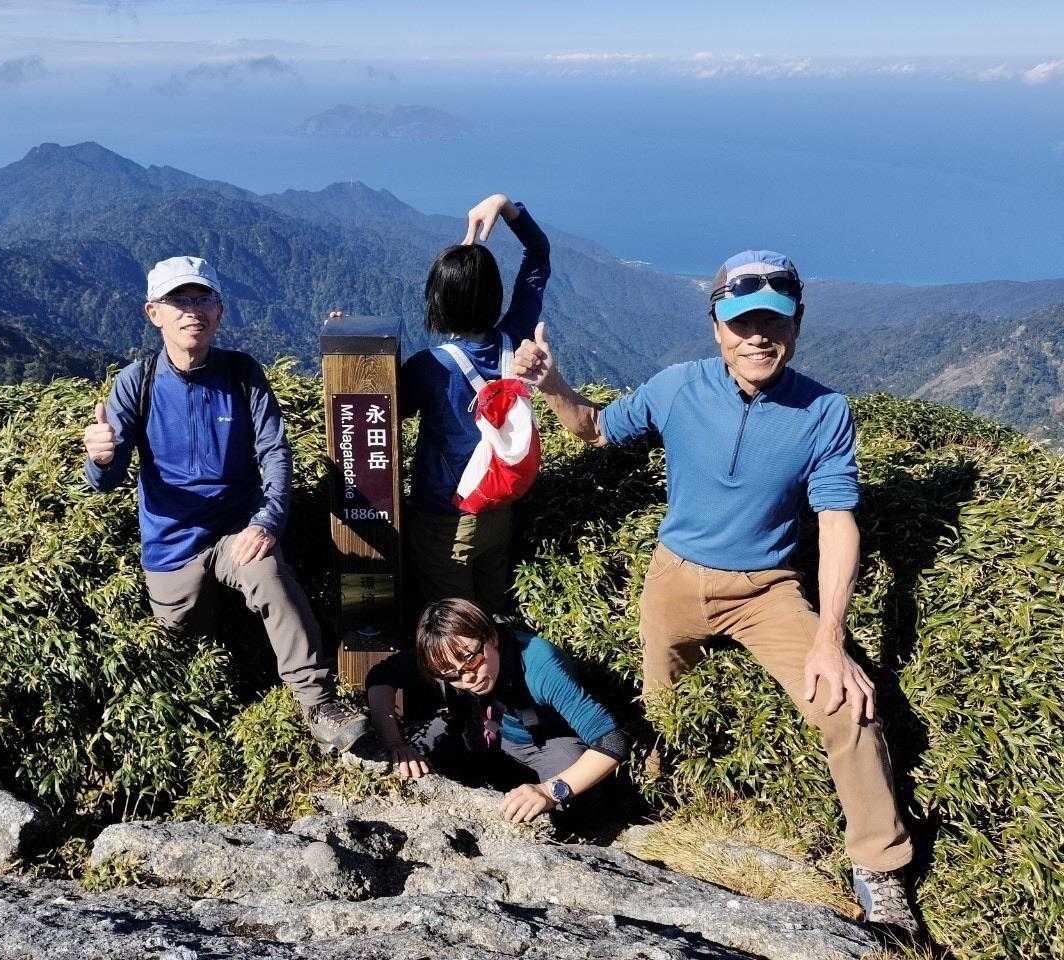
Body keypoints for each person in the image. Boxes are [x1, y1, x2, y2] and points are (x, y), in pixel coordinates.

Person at [511, 250, 919, 934]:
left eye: (774, 322)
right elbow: (596, 428)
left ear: (797, 325)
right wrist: (552, 383)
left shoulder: (824, 411)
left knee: (848, 709)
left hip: (767, 592)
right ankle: (657, 800)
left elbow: (837, 520)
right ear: (716, 326)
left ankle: (880, 867)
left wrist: (830, 639)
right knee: (660, 710)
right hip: (673, 580)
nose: (758, 337)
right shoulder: (678, 387)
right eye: (742, 322)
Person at [82, 255, 369, 752]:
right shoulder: (137, 382)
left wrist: (267, 520)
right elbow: (105, 480)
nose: (192, 310)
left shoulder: (241, 374)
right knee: (185, 647)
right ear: (154, 313)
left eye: (203, 298)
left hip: (239, 531)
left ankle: (317, 703)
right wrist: (101, 459)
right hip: (172, 546)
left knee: (269, 573)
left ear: (220, 310)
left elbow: (274, 452)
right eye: (178, 300)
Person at [401, 193, 551, 616]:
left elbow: (380, 407)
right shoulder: (516, 337)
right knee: (492, 612)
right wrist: (506, 206)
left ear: (437, 301)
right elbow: (538, 256)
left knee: (456, 627)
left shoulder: (429, 367)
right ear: (494, 295)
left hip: (445, 518)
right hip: (499, 509)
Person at [366, 598, 629, 824]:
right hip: (477, 729)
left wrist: (549, 792)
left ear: (491, 637)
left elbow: (611, 741)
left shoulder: (539, 664)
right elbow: (381, 676)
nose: (467, 678)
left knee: (572, 806)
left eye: (473, 662)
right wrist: (395, 743)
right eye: (452, 676)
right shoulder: (447, 655)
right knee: (409, 765)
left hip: (545, 741)